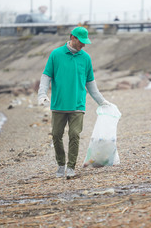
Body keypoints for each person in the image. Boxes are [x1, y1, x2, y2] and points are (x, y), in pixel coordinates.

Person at [38, 26, 111, 178]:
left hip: (78, 104)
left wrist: (102, 101)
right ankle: (60, 164)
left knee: (74, 134)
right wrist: (42, 94)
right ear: (73, 38)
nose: (83, 45)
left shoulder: (86, 58)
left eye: (85, 42)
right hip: (59, 104)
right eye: (81, 41)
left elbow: (90, 84)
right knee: (56, 135)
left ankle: (71, 167)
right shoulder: (56, 54)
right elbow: (46, 76)